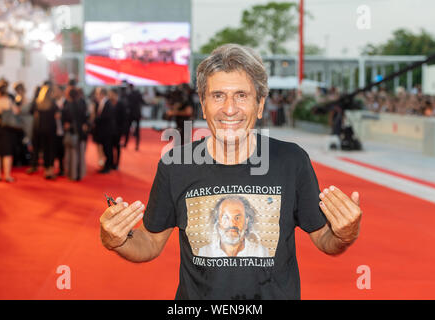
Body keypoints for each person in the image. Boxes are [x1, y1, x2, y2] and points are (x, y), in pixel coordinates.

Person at [99, 44, 363, 300]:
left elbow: (325, 240)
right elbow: (149, 243)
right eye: (217, 96)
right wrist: (117, 240)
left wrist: (344, 233)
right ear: (203, 104)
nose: (229, 108)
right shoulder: (175, 164)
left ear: (260, 105)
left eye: (241, 95)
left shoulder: (291, 161)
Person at [198, 196, 269, 258]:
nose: (232, 224)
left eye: (237, 218)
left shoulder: (260, 253)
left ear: (246, 222)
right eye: (225, 217)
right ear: (217, 222)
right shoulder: (205, 252)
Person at [0, 81, 18, 182]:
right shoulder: (8, 101)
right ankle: (7, 175)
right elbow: (16, 111)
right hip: (6, 128)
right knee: (6, 153)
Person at [35, 84, 60, 180]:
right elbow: (57, 116)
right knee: (51, 150)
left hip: (41, 130)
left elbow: (35, 115)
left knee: (45, 150)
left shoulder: (39, 103)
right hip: (51, 129)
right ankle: (50, 171)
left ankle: (46, 171)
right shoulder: (53, 103)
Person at [94, 87, 115, 173]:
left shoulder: (107, 103)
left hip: (107, 131)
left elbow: (107, 117)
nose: (96, 95)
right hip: (103, 131)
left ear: (102, 94)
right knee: (106, 148)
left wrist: (96, 119)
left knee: (107, 149)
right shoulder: (102, 103)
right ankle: (107, 165)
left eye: (97, 94)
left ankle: (108, 167)